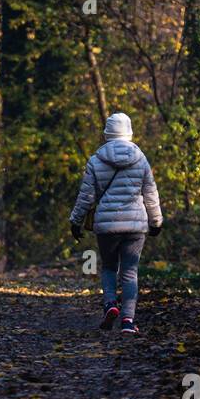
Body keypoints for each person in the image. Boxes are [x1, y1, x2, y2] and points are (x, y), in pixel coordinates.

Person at [69, 112, 163, 335]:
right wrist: (156, 220)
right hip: (135, 226)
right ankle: (128, 321)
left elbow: (86, 196)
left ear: (106, 133)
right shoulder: (140, 158)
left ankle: (110, 304)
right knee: (130, 272)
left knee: (110, 267)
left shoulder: (95, 160)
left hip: (107, 226)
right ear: (129, 132)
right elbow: (150, 192)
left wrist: (76, 221)